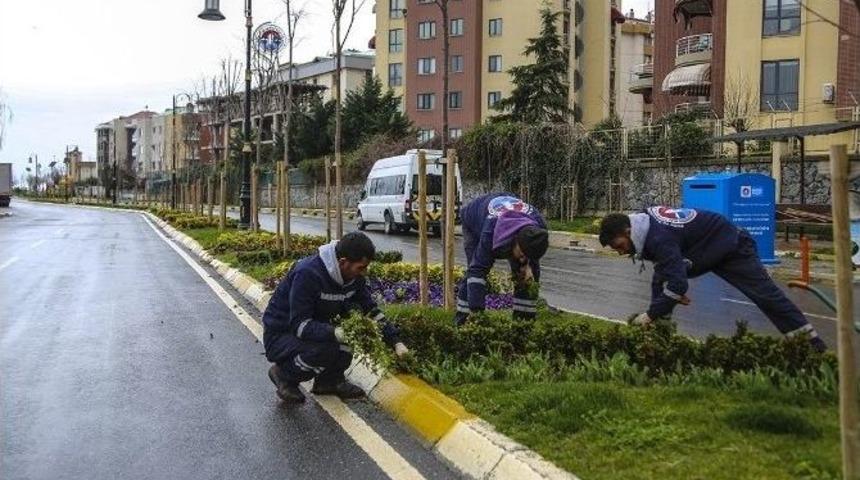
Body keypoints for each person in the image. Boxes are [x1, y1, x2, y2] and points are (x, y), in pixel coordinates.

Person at [598, 206, 826, 352]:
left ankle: (813, 347)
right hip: (704, 250)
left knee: (767, 297)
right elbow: (662, 277)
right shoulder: (644, 226)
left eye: (619, 246)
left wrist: (650, 314)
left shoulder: (658, 238)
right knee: (663, 286)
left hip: (732, 247)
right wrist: (657, 309)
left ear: (628, 232)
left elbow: (677, 283)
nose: (621, 252)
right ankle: (659, 344)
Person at [263, 232, 410, 403]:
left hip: (313, 329)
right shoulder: (308, 274)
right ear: (343, 262)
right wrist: (335, 332)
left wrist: (396, 341)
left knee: (347, 340)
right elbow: (299, 325)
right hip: (282, 335)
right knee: (326, 348)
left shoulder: (354, 279)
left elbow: (370, 310)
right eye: (361, 267)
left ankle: (329, 382)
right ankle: (284, 375)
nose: (364, 272)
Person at [455, 193, 550, 325]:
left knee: (525, 275)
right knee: (474, 272)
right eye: (522, 255)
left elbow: (531, 263)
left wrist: (529, 267)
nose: (523, 260)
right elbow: (477, 271)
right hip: (474, 220)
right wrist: (478, 315)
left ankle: (523, 322)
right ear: (515, 240)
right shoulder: (490, 232)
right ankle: (464, 321)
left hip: (508, 209)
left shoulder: (538, 229)